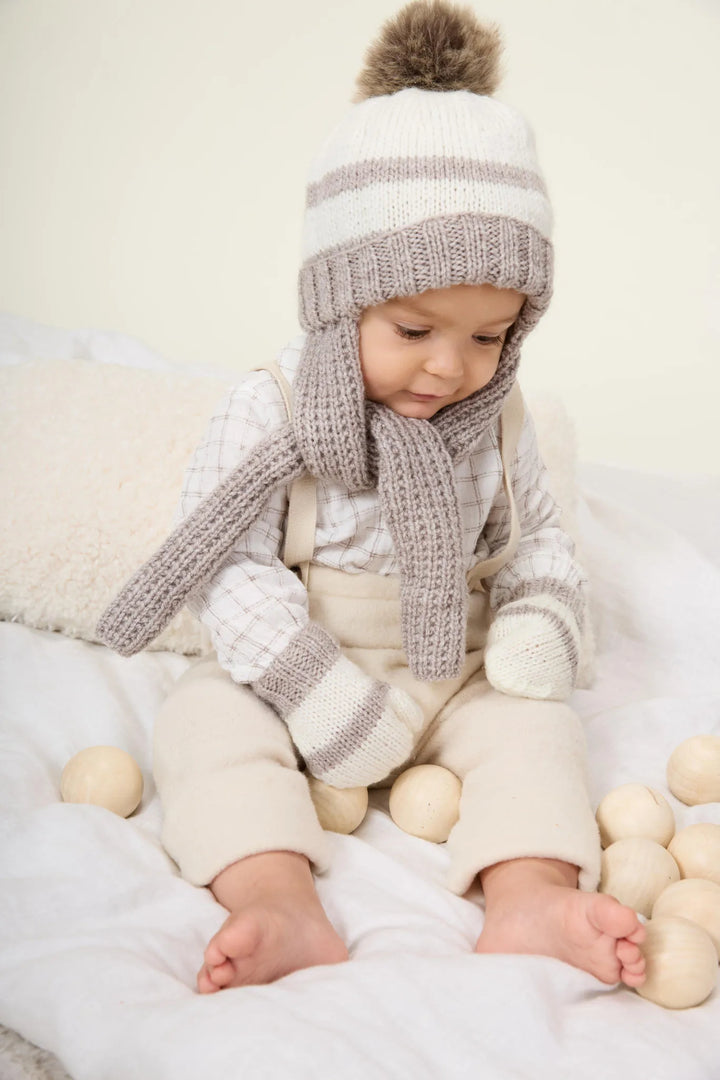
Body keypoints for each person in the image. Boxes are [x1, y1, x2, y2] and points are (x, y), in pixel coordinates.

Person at [97, 0, 647, 994]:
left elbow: (536, 540)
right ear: (337, 303)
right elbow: (230, 568)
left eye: (490, 338)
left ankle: (530, 895)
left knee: (537, 728)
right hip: (303, 660)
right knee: (204, 724)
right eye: (412, 329)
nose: (450, 367)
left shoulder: (503, 421)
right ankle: (274, 895)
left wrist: (539, 618)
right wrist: (314, 687)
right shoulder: (267, 412)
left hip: (453, 659)